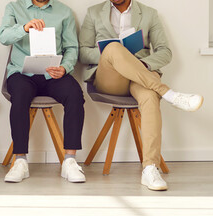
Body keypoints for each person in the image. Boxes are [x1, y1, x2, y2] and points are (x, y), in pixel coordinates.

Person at [79, 0, 204, 191]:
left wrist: (141, 64)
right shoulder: (94, 12)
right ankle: (169, 94)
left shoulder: (149, 13)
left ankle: (150, 169)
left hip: (141, 75)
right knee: (113, 48)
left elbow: (165, 51)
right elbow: (83, 52)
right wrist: (114, 55)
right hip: (110, 79)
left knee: (149, 97)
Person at [0, 0, 86, 183]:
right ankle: (20, 161)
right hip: (22, 72)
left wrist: (64, 67)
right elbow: (3, 37)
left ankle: (69, 160)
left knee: (75, 94)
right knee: (20, 96)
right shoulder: (14, 7)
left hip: (52, 73)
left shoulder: (64, 12)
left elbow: (71, 47)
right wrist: (24, 28)